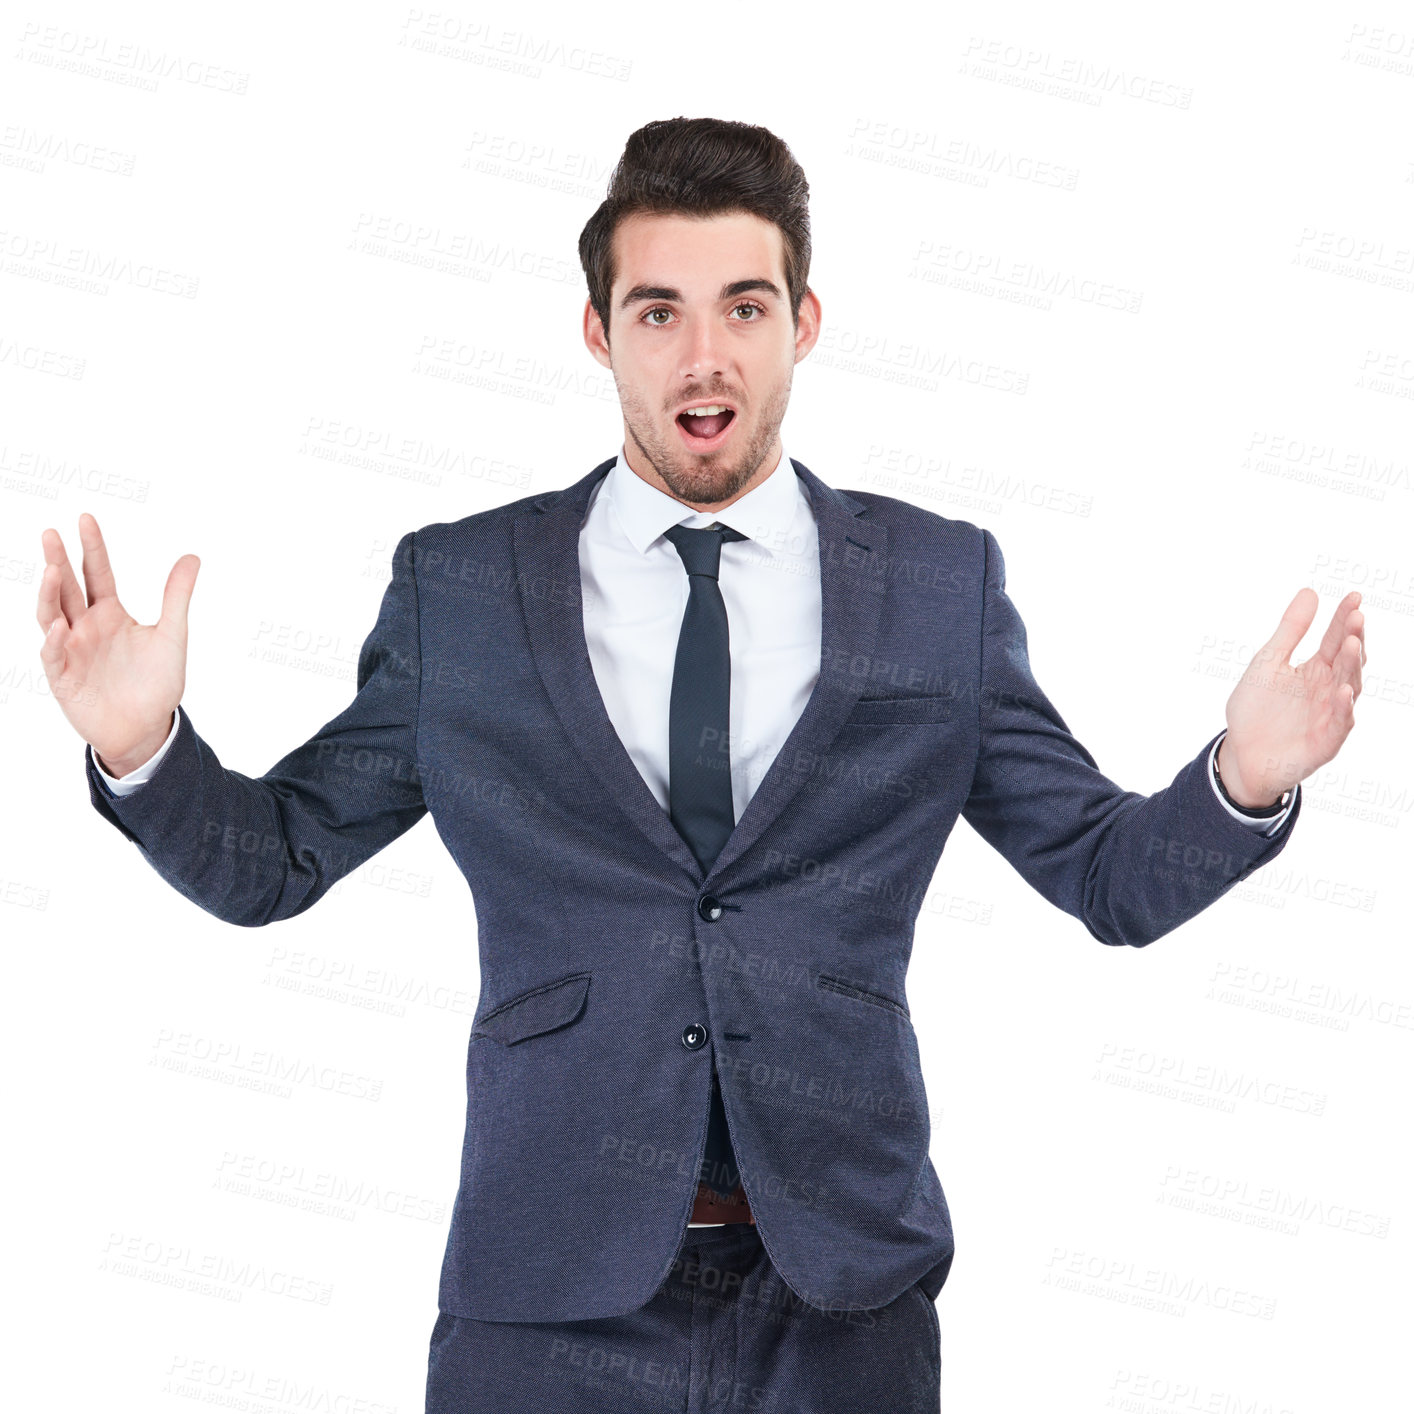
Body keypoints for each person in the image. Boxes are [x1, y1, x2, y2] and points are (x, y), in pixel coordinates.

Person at [37, 117, 1365, 1413]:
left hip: (838, 1295)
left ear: (804, 322)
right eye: (658, 310)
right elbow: (276, 859)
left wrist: (1240, 776)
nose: (701, 353)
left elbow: (1101, 874)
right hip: (546, 1289)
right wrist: (138, 743)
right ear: (597, 331)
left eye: (742, 304)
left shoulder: (930, 586)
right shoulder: (464, 590)